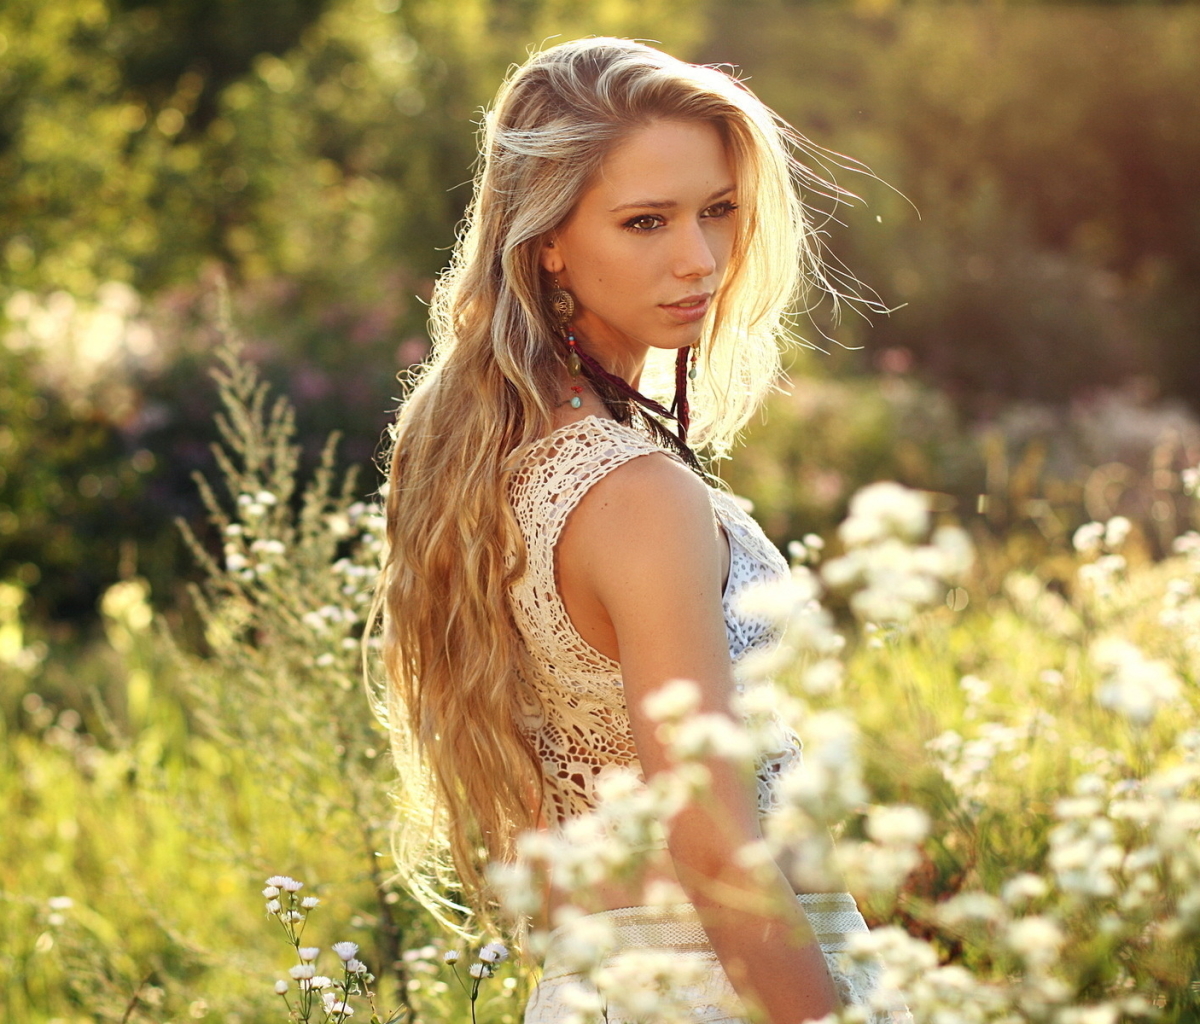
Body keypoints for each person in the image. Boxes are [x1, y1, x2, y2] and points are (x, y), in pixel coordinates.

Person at [373, 37, 895, 1024]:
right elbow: (709, 845)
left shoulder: (500, 458)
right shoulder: (637, 489)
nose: (698, 258)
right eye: (645, 221)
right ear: (548, 238)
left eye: (718, 210)